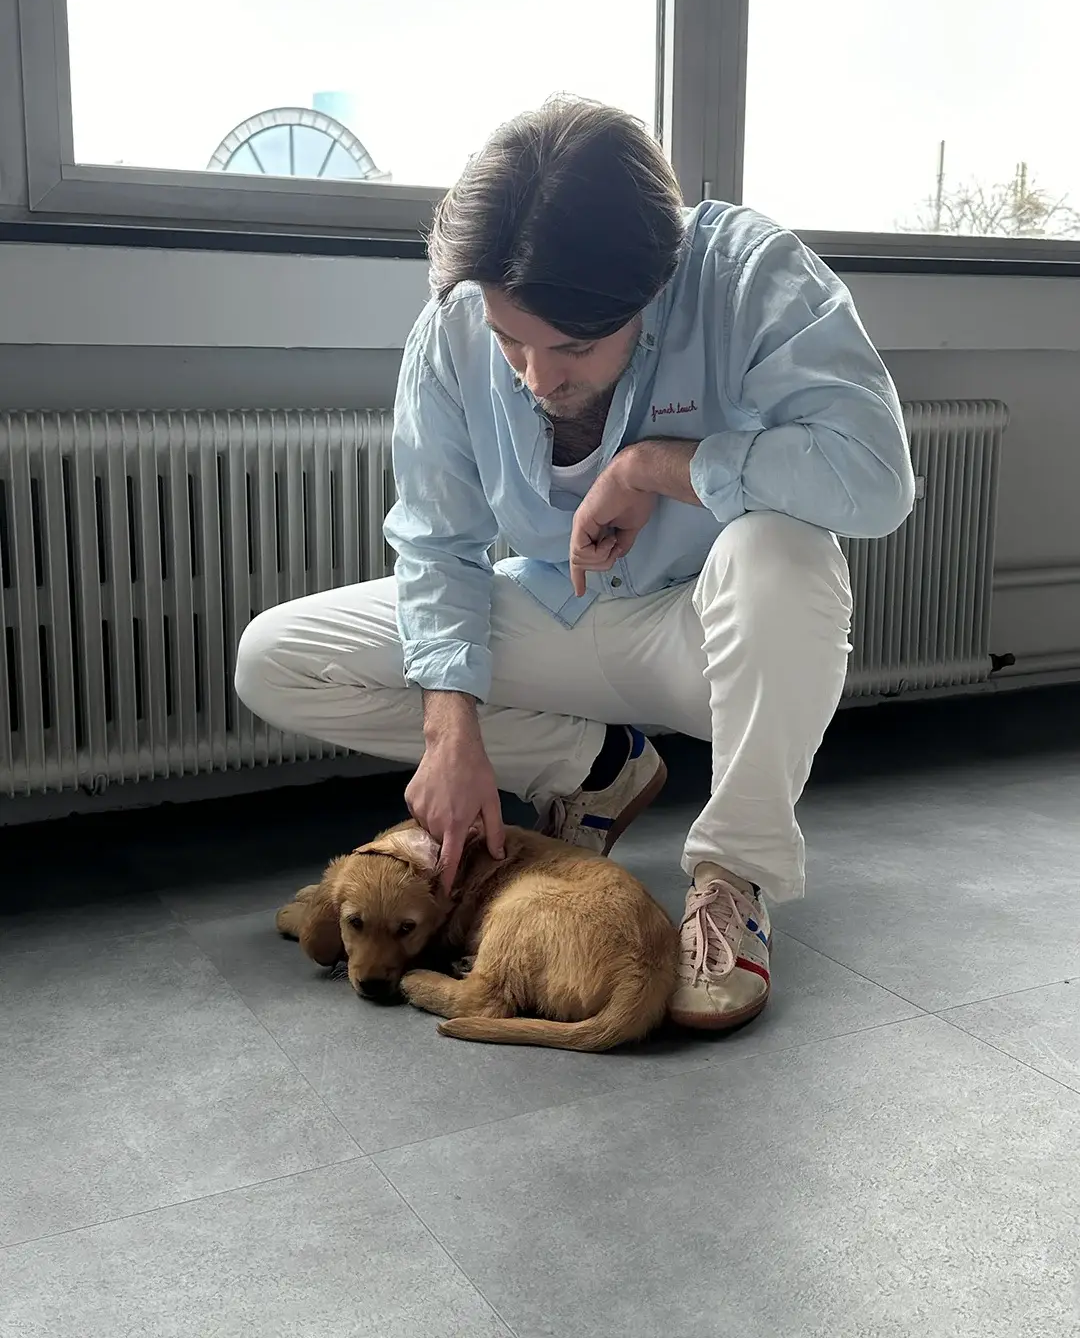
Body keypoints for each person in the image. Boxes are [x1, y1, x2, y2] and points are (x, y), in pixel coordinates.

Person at [235, 96, 915, 1032]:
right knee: (276, 655)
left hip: (711, 638)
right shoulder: (454, 323)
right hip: (559, 609)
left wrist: (661, 467)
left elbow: (876, 481)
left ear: (657, 282)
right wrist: (450, 732)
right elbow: (438, 541)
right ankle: (596, 769)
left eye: (574, 347)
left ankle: (734, 875)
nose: (536, 378)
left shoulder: (750, 274)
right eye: (512, 339)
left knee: (785, 547)